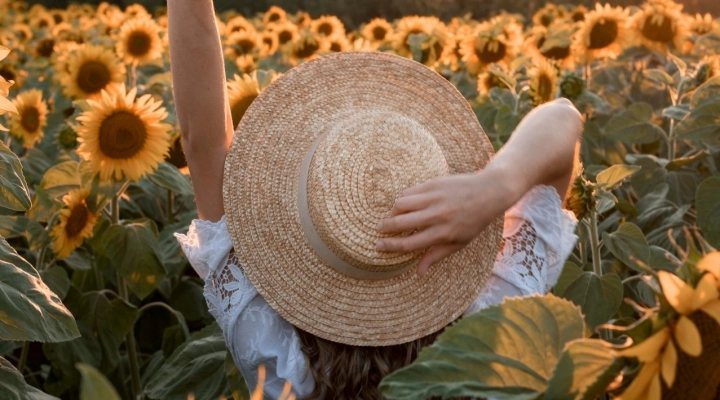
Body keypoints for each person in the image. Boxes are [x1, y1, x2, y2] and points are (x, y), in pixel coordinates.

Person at [168, 1, 584, 399]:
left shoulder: (276, 354)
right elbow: (562, 118)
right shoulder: (494, 329)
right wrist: (494, 188)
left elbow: (201, 138)